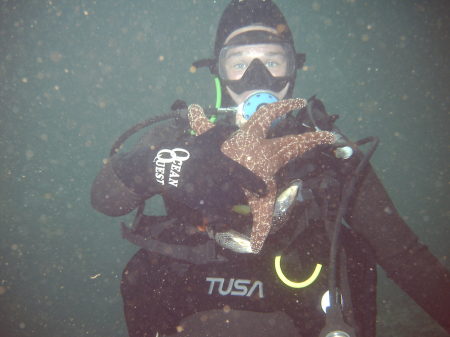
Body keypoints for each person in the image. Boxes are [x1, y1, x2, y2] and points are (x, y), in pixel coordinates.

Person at [90, 1, 450, 336]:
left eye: (273, 61)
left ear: (293, 70)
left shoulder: (325, 149)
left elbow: (405, 257)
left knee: (354, 256)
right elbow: (104, 200)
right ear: (219, 72)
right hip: (184, 309)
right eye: (239, 63)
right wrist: (174, 165)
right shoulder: (181, 135)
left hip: (304, 314)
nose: (256, 77)